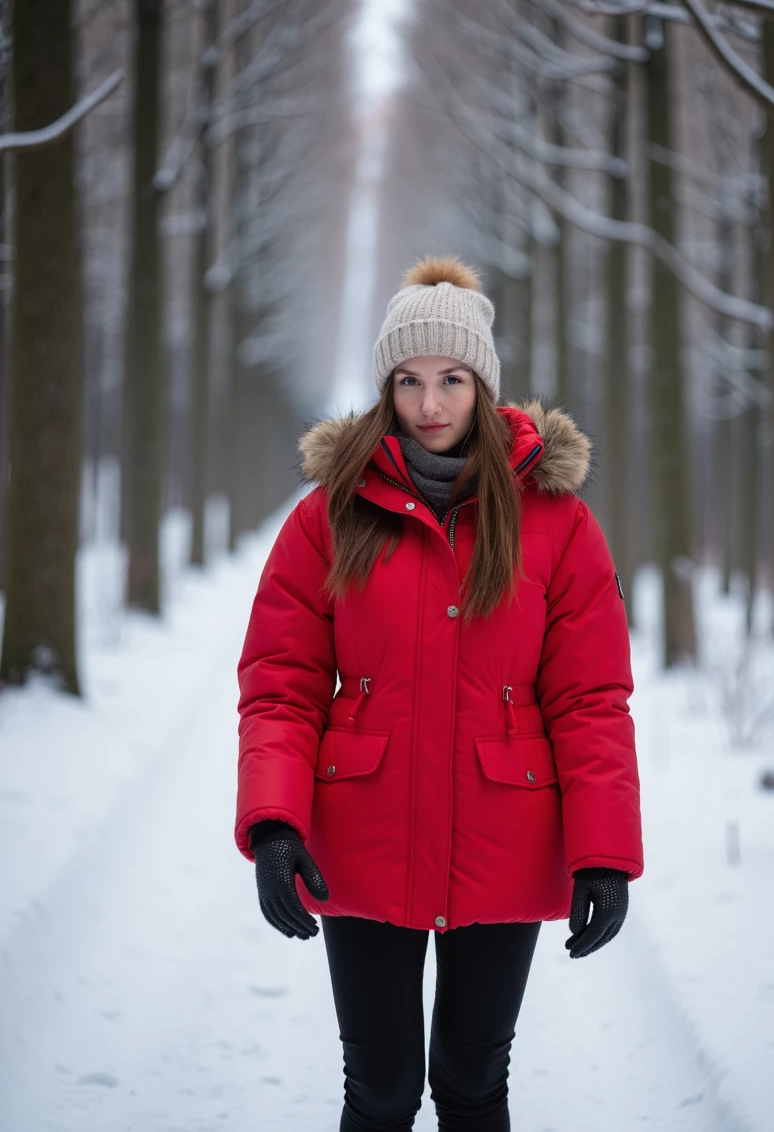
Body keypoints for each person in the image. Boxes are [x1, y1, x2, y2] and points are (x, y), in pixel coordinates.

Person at [234, 255, 643, 1132]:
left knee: (471, 1082)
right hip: (366, 835)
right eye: (411, 381)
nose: (430, 404)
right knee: (379, 1090)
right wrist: (274, 823)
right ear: (386, 387)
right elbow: (281, 682)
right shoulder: (329, 514)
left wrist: (603, 851)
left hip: (505, 830)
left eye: (452, 379)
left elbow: (591, 698)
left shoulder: (555, 519)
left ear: (483, 383)